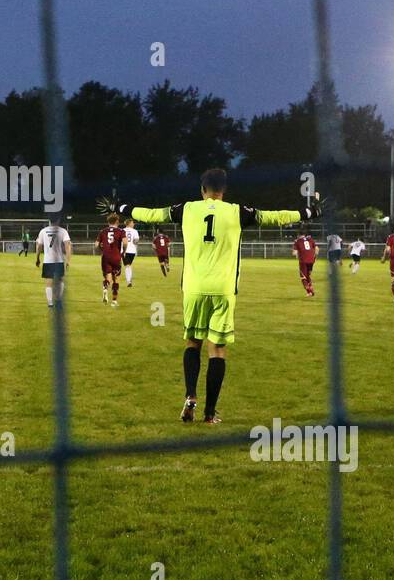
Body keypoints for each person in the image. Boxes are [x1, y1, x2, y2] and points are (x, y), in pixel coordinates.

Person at [99, 168, 319, 424]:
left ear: (202, 190)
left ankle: (191, 395)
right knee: (217, 350)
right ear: (223, 191)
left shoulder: (187, 209)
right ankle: (209, 414)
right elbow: (275, 217)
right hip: (224, 289)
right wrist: (309, 212)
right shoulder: (238, 211)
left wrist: (121, 206)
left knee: (193, 343)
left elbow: (151, 214)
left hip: (193, 287)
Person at [35, 216, 72, 308]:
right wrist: (68, 260)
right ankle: (58, 299)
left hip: (47, 261)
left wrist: (37, 258)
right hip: (59, 260)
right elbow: (67, 246)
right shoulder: (63, 231)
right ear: (58, 220)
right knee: (60, 280)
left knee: (48, 282)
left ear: (49, 221)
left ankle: (50, 302)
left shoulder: (43, 231)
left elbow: (39, 246)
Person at [95, 214, 125, 307]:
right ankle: (114, 301)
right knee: (116, 279)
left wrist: (102, 250)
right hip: (116, 256)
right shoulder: (120, 231)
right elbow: (125, 243)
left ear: (108, 222)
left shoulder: (102, 231)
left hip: (105, 256)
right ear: (117, 221)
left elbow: (96, 245)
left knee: (108, 276)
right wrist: (123, 251)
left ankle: (105, 287)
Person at [292, 226, 318, 297]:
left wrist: (297, 253)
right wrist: (314, 256)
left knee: (303, 277)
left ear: (298, 234)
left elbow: (294, 253)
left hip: (303, 260)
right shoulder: (310, 239)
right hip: (311, 260)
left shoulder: (297, 241)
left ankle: (309, 291)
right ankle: (311, 288)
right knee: (308, 275)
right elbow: (317, 249)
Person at [121, 217, 139, 288]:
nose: (133, 224)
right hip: (132, 251)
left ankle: (129, 281)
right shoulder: (135, 231)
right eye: (133, 223)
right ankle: (129, 280)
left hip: (124, 250)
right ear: (130, 223)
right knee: (129, 265)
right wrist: (133, 242)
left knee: (127, 266)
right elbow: (136, 241)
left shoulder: (122, 230)